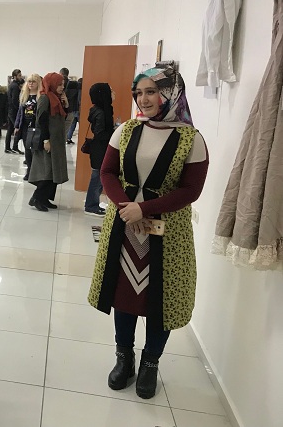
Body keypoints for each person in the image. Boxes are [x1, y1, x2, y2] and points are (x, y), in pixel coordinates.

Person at [88, 67, 208, 400]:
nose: (144, 99)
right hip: (125, 225)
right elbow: (108, 172)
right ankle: (124, 357)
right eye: (139, 92)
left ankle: (150, 363)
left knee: (160, 300)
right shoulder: (126, 130)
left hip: (168, 234)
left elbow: (191, 190)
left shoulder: (191, 139)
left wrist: (146, 209)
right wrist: (128, 206)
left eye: (152, 91)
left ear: (170, 94)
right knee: (124, 295)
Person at [28, 72, 68, 211]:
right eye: (59, 84)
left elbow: (61, 118)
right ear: (52, 84)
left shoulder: (56, 98)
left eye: (63, 84)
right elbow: (41, 120)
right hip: (48, 140)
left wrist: (66, 105)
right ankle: (36, 198)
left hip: (56, 141)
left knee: (54, 171)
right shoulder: (45, 98)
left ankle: (45, 198)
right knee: (47, 171)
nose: (62, 87)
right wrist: (46, 140)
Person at [84, 83, 115, 216]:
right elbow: (100, 133)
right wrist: (114, 132)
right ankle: (91, 205)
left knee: (99, 177)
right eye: (110, 91)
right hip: (100, 149)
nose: (113, 93)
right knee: (97, 178)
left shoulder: (103, 109)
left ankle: (93, 203)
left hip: (100, 148)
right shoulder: (101, 112)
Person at [14, 73, 41, 181]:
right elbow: (20, 112)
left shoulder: (41, 96)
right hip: (25, 126)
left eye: (33, 81)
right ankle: (29, 170)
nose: (31, 83)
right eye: (29, 81)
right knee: (27, 149)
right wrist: (17, 125)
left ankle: (35, 171)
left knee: (34, 150)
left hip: (36, 126)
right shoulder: (24, 95)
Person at [5, 68, 23, 154]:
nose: (21, 77)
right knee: (17, 128)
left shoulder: (12, 85)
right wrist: (18, 109)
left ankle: (7, 147)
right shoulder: (15, 86)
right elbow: (14, 100)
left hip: (10, 110)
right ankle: (14, 146)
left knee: (10, 129)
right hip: (13, 110)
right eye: (19, 75)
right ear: (15, 76)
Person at [65, 76, 81, 143]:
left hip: (71, 110)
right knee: (81, 126)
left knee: (72, 126)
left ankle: (68, 138)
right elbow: (79, 100)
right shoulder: (78, 91)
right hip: (77, 109)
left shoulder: (66, 92)